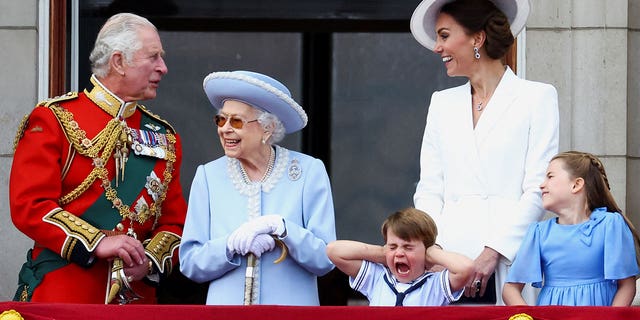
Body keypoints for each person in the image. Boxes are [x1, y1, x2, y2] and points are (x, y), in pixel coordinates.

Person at [9, 13, 187, 304]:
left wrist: (149, 262)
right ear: (118, 62)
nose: (163, 68)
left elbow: (176, 224)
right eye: (153, 57)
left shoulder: (165, 137)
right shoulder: (55, 119)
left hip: (137, 300)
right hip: (65, 295)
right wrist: (98, 243)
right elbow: (30, 206)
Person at [410, 0, 559, 305]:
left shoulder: (537, 98)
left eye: (444, 35)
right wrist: (434, 251)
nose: (438, 47)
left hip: (508, 260)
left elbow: (537, 190)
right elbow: (429, 189)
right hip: (446, 264)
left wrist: (494, 251)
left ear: (477, 38)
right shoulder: (441, 103)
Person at [179, 70, 336, 305]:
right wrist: (230, 245)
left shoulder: (308, 171)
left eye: (237, 121)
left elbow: (325, 259)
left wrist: (284, 230)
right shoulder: (208, 176)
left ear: (267, 128)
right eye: (221, 119)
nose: (225, 129)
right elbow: (190, 263)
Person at [503, 151, 640, 306]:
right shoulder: (539, 233)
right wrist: (526, 317)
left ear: (576, 185)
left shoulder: (610, 225)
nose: (541, 185)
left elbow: (627, 285)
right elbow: (510, 289)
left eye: (550, 176)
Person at [327, 207, 473, 306]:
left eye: (408, 247)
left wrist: (432, 253)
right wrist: (382, 254)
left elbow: (466, 268)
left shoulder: (435, 285)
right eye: (393, 246)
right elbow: (333, 250)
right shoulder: (377, 278)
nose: (399, 253)